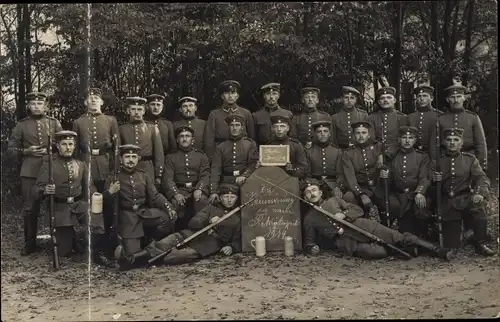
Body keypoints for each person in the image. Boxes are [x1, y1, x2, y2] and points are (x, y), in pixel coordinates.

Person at [301, 179, 452, 260]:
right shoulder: (309, 219)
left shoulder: (334, 200)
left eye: (314, 190)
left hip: (362, 225)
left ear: (320, 192)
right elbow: (309, 240)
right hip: (346, 241)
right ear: (304, 197)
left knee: (397, 237)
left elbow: (357, 209)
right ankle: (404, 250)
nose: (312, 194)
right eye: (308, 192)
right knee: (376, 252)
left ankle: (437, 250)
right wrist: (311, 248)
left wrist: (344, 215)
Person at [116, 183, 242, 270]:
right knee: (161, 245)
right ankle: (131, 260)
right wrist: (208, 220)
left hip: (205, 246)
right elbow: (193, 223)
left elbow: (238, 239)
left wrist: (231, 247)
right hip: (188, 235)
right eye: (226, 197)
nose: (229, 200)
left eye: (232, 197)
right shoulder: (210, 208)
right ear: (220, 198)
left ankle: (144, 260)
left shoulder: (237, 218)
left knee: (173, 257)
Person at [35, 130, 113, 266]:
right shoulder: (49, 165)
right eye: (64, 144)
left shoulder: (81, 164)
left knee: (96, 221)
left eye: (70, 144)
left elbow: (90, 188)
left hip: (78, 205)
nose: (68, 147)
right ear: (57, 146)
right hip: (60, 209)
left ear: (74, 146)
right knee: (64, 251)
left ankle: (92, 250)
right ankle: (74, 240)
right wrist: (45, 190)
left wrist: (102, 197)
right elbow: (36, 189)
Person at [7, 92, 63, 255]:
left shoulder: (54, 123)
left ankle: (59, 242)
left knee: (57, 205)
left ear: (46, 106)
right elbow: (10, 151)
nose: (37, 107)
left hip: (52, 169)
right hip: (30, 172)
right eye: (33, 104)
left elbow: (66, 145)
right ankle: (30, 244)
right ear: (29, 106)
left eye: (40, 104)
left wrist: (52, 149)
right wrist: (26, 150)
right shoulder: (22, 125)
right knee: (30, 208)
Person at [103, 144, 177, 258]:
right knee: (133, 254)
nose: (131, 160)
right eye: (127, 157)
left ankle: (149, 240)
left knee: (167, 218)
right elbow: (105, 203)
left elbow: (155, 195)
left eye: (134, 157)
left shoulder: (143, 175)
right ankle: (127, 245)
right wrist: (110, 192)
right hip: (127, 218)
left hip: (143, 213)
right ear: (120, 159)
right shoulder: (113, 177)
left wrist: (169, 207)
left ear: (138, 158)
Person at [430, 128, 494, 256]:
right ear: (444, 142)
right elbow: (430, 188)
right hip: (446, 203)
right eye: (449, 140)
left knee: (477, 206)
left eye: (456, 140)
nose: (452, 143)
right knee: (453, 245)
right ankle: (469, 234)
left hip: (465, 198)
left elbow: (482, 178)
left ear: (461, 143)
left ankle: (480, 242)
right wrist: (435, 182)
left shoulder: (470, 160)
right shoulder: (436, 162)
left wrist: (479, 192)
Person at [72, 88, 120, 253]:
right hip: (87, 165)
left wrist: (115, 169)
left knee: (108, 201)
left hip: (106, 165)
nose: (93, 100)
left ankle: (108, 240)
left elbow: (116, 148)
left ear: (101, 102)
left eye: (96, 98)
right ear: (86, 102)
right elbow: (76, 150)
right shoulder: (78, 122)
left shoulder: (110, 120)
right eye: (90, 98)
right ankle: (94, 241)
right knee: (91, 201)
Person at [376, 126, 432, 237]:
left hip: (414, 195)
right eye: (404, 137)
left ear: (415, 140)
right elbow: (388, 183)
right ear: (398, 139)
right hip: (399, 195)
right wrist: (384, 177)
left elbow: (424, 178)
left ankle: (424, 234)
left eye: (410, 138)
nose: (407, 141)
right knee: (406, 230)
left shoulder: (422, 157)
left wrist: (420, 192)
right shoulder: (392, 157)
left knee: (421, 209)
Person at [429, 84, 488, 171]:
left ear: (464, 98)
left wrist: (481, 164)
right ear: (447, 99)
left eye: (459, 96)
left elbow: (480, 143)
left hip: (468, 160)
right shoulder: (441, 119)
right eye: (452, 97)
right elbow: (434, 145)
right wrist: (435, 163)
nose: (456, 100)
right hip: (446, 161)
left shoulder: (473, 118)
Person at [163, 126, 210, 230]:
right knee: (175, 203)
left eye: (187, 136)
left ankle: (201, 232)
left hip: (196, 188)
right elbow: (168, 178)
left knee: (201, 201)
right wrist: (175, 193)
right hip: (180, 189)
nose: (185, 139)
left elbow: (205, 175)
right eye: (181, 136)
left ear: (192, 139)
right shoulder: (171, 157)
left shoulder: (201, 156)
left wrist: (200, 189)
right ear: (177, 140)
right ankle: (177, 234)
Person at [209, 114, 258, 203]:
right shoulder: (221, 147)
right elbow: (216, 170)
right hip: (226, 183)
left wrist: (244, 175)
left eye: (237, 125)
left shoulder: (250, 144)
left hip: (245, 182)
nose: (234, 128)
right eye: (232, 125)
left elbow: (253, 164)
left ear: (242, 128)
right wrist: (214, 191)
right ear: (228, 127)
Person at [204, 80, 255, 159]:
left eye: (233, 93)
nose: (230, 96)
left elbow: (252, 137)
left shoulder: (245, 113)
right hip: (221, 154)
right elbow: (209, 140)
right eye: (227, 93)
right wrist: (211, 158)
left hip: (242, 153)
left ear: (237, 96)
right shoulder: (214, 114)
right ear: (222, 96)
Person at [119, 96, 164, 183]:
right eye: (133, 109)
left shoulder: (152, 128)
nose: (136, 112)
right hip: (127, 169)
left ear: (143, 111)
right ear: (128, 111)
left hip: (147, 169)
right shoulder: (122, 129)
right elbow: (118, 153)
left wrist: (158, 175)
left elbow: (159, 153)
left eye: (139, 109)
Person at [341, 121, 383, 212]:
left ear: (369, 135)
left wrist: (381, 155)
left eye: (364, 133)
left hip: (378, 187)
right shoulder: (348, 153)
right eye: (357, 133)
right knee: (349, 197)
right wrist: (361, 194)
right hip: (361, 187)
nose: (361, 136)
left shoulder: (378, 147)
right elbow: (350, 178)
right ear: (353, 135)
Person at [260, 109, 309, 178]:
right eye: (276, 126)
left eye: (282, 126)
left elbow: (304, 169)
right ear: (272, 129)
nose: (279, 129)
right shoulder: (268, 146)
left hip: (291, 180)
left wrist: (292, 170)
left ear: (288, 128)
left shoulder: (296, 145)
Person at [305, 120, 344, 198]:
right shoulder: (309, 152)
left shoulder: (337, 151)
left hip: (333, 185)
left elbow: (340, 174)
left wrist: (338, 187)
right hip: (315, 184)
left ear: (329, 134)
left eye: (325, 131)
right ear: (315, 134)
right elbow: (307, 175)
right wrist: (313, 185)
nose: (322, 134)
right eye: (319, 132)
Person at [367, 87, 409, 156]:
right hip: (377, 154)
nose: (385, 100)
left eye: (389, 97)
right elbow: (371, 139)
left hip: (398, 154)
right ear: (378, 102)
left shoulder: (402, 117)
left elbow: (404, 139)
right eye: (382, 98)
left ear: (394, 100)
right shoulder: (371, 118)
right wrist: (379, 153)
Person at [407, 85, 443, 155]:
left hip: (434, 154)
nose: (421, 99)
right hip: (414, 154)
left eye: (425, 96)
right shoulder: (410, 117)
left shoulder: (440, 116)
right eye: (419, 96)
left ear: (432, 98)